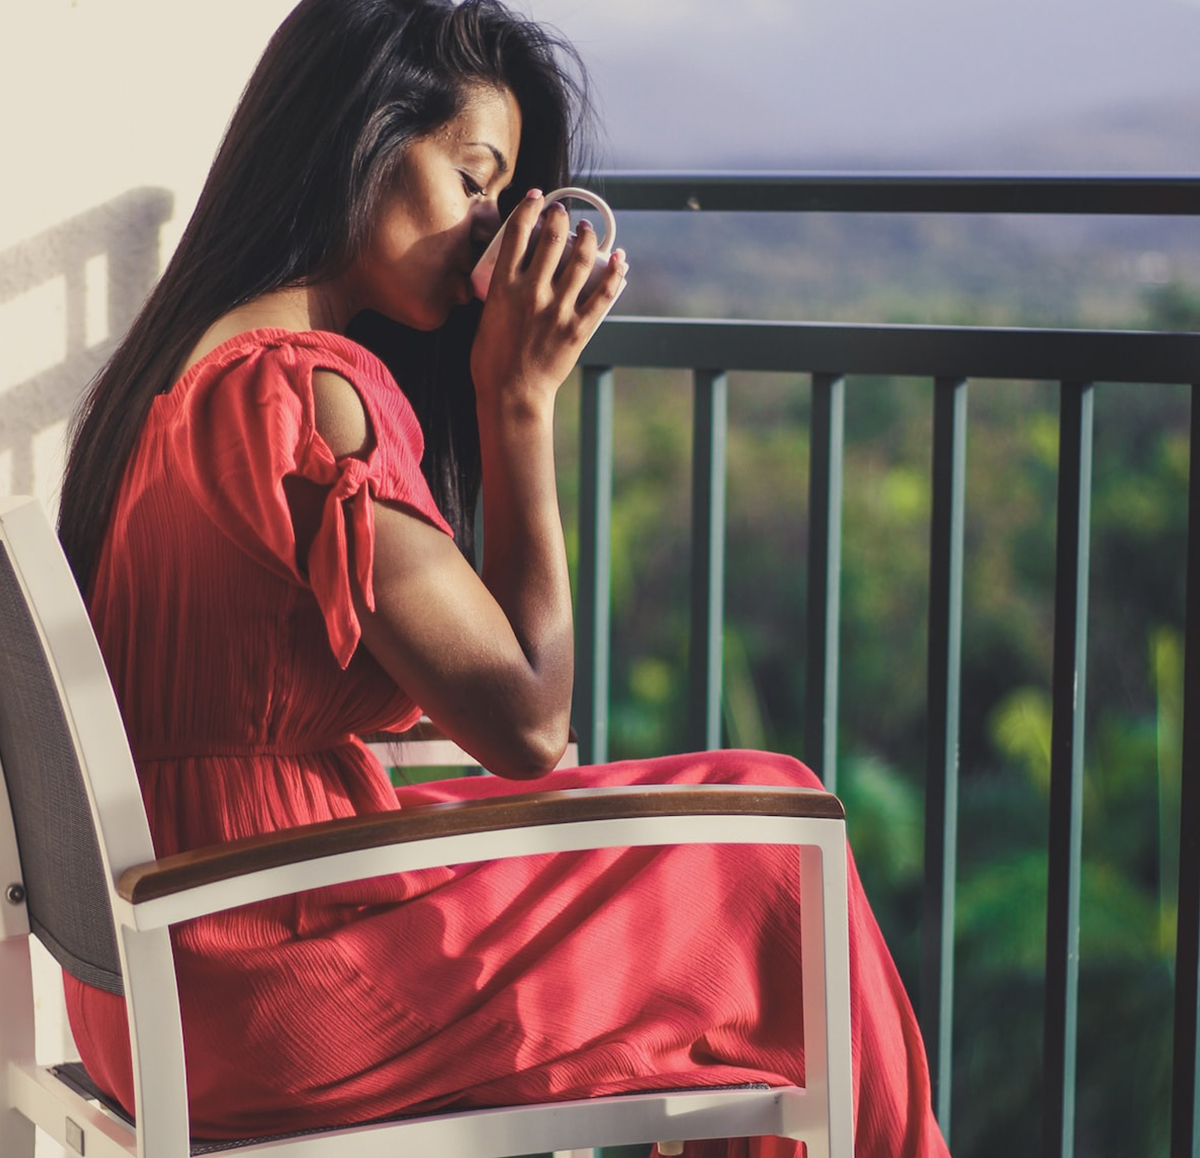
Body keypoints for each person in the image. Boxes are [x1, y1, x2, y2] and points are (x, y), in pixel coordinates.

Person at [56, 1, 951, 1154]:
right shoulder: (304, 389)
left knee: (747, 820)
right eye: (475, 178)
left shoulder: (191, 368)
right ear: (362, 139)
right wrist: (516, 402)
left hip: (176, 965)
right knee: (776, 840)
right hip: (261, 973)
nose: (490, 229)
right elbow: (531, 726)